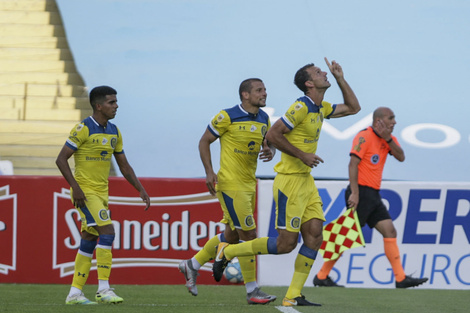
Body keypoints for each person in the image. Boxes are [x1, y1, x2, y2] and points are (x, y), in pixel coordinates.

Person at [212, 58, 360, 307]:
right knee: (285, 244)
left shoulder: (320, 107)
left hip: (305, 182)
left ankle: (292, 296)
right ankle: (228, 251)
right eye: (318, 72)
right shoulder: (300, 107)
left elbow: (354, 108)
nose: (324, 72)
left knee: (314, 235)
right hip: (289, 182)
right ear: (309, 83)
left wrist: (340, 78)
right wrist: (302, 155)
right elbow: (273, 134)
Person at [178, 78, 277, 304]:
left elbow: (268, 142)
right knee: (249, 236)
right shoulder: (227, 116)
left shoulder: (264, 118)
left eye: (264, 90)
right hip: (231, 184)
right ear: (245, 95)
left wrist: (269, 150)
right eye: (259, 90)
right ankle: (252, 291)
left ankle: (191, 265)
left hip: (248, 184)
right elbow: (204, 141)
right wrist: (209, 171)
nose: (264, 93)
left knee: (232, 236)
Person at [314, 107, 429, 288]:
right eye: (391, 118)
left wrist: (388, 139)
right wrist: (355, 192)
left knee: (389, 231)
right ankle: (321, 276)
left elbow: (401, 157)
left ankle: (400, 278)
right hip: (360, 192)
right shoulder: (364, 136)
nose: (394, 122)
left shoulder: (387, 139)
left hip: (373, 194)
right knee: (345, 236)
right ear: (378, 121)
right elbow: (353, 164)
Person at [56, 85, 151, 305]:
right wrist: (76, 187)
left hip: (101, 192)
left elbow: (124, 166)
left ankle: (74, 293)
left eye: (116, 102)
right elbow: (61, 159)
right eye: (111, 102)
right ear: (98, 106)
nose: (116, 106)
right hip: (85, 192)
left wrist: (140, 188)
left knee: (89, 239)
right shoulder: (83, 129)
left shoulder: (114, 131)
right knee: (107, 231)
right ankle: (103, 289)